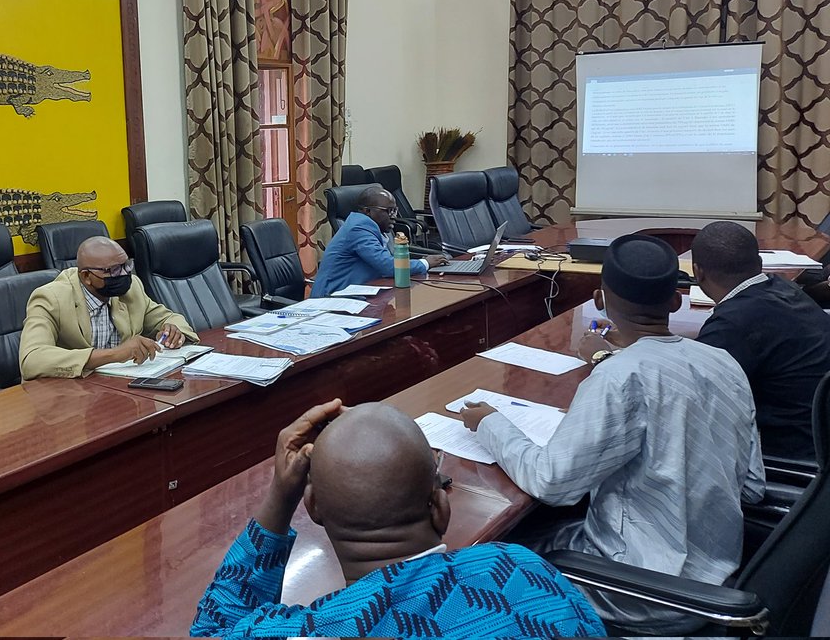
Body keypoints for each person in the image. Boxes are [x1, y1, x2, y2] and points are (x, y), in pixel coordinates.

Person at [461, 234, 764, 632]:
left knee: (495, 551)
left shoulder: (621, 377)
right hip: (719, 573)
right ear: (676, 301)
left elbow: (552, 482)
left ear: (599, 300)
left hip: (640, 591)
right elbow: (754, 486)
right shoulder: (723, 362)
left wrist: (490, 423)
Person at [191, 400, 605, 639]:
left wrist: (281, 498)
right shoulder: (522, 570)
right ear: (441, 508)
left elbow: (213, 627)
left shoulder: (310, 630)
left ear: (315, 510)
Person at [686, 221, 830, 461]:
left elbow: (690, 400)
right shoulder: (784, 288)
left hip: (789, 461)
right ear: (760, 264)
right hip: (817, 447)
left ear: (697, 272)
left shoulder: (733, 324)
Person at [18, 235, 198, 379]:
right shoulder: (50, 298)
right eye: (112, 270)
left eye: (126, 266)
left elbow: (168, 318)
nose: (125, 274)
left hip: (118, 388)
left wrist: (173, 332)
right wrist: (114, 354)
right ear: (87, 276)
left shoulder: (131, 287)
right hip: (67, 399)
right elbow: (32, 359)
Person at [311, 187, 443, 297]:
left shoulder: (368, 226)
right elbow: (387, 265)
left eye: (395, 210)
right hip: (332, 300)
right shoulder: (358, 228)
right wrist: (425, 263)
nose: (394, 216)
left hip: (356, 293)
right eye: (389, 211)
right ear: (368, 211)